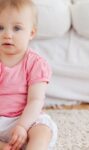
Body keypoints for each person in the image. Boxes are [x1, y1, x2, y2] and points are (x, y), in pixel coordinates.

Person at [0, 0, 57, 150]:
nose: (7, 34)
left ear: (31, 33)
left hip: (25, 118)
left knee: (43, 129)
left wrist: (22, 126)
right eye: (0, 28)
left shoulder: (36, 63)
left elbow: (35, 100)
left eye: (17, 28)